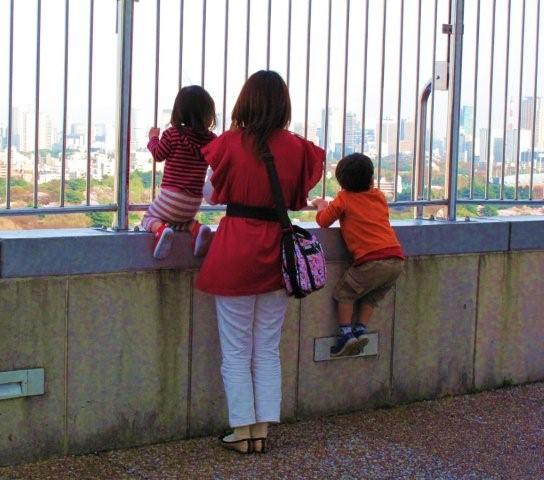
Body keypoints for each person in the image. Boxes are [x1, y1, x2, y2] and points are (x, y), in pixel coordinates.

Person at [197, 71, 323, 453]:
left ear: (245, 100)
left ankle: (242, 430)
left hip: (236, 251)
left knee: (236, 349)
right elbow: (301, 197)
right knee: (266, 348)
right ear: (283, 103)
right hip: (278, 256)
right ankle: (262, 429)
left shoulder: (230, 143)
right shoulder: (300, 149)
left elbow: (209, 193)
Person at [312, 153, 404, 357]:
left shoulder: (344, 199)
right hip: (396, 259)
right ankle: (360, 330)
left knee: (345, 293)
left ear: (341, 182)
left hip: (370, 261)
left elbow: (323, 221)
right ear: (371, 179)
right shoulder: (379, 196)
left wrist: (321, 204)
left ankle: (346, 334)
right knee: (371, 297)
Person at [143, 85, 217, 259]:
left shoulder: (172, 134)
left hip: (170, 197)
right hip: (192, 203)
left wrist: (153, 138)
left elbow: (158, 154)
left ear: (179, 111)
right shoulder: (211, 140)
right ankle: (198, 229)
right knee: (180, 221)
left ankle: (161, 232)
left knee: (149, 218)